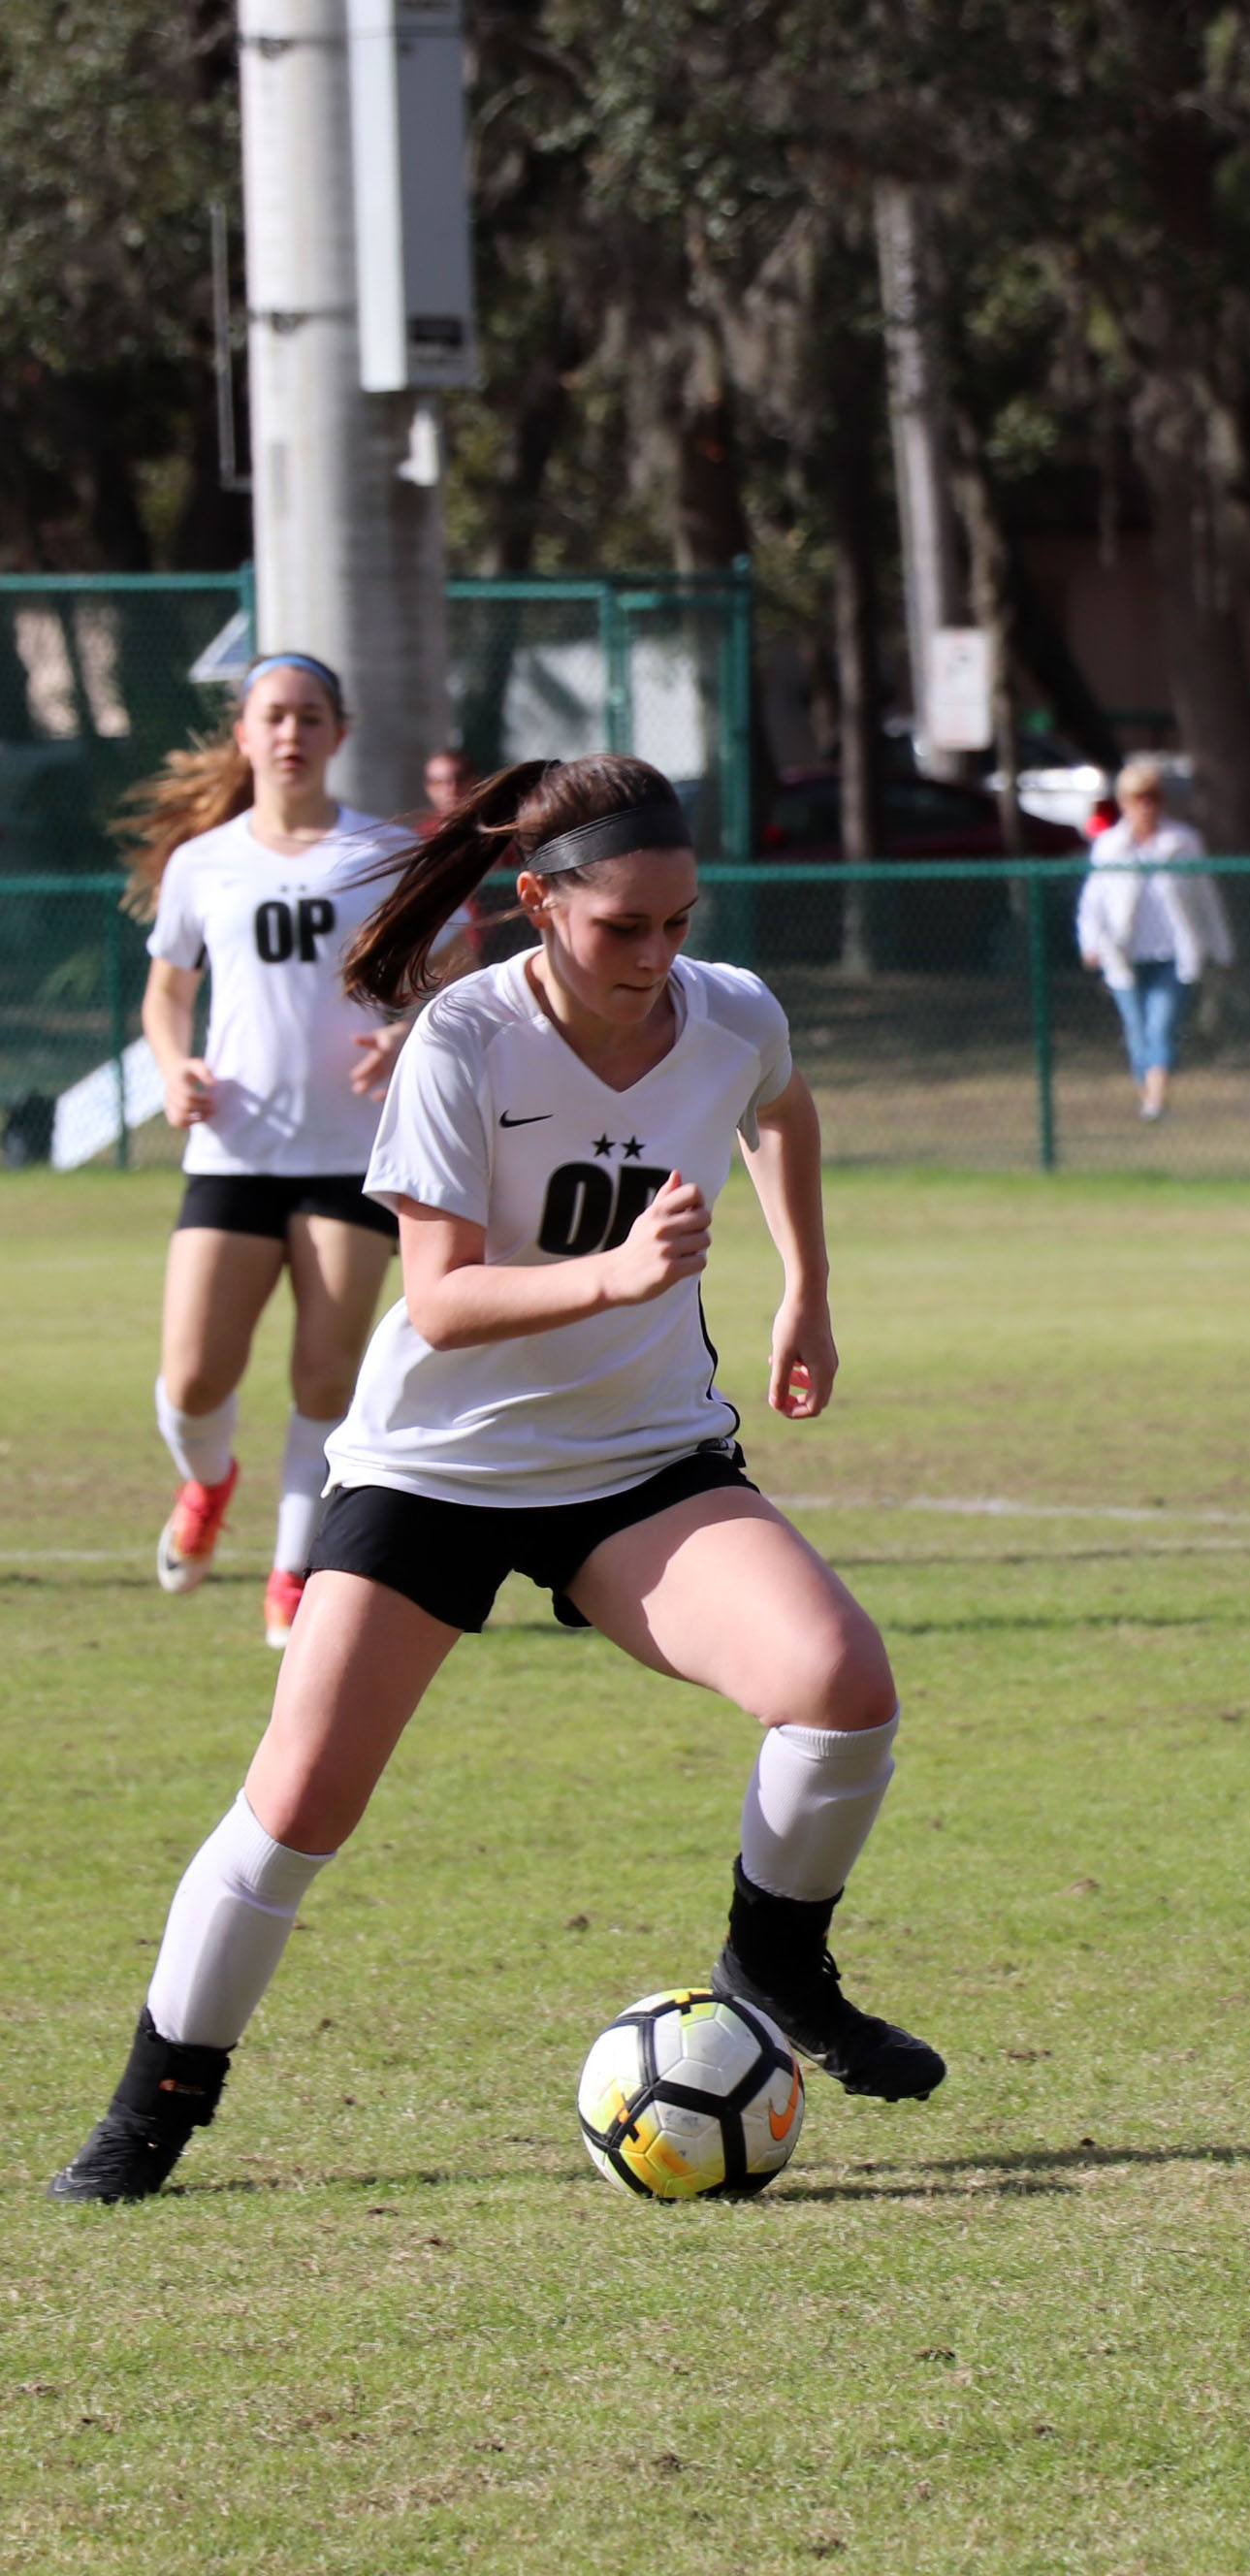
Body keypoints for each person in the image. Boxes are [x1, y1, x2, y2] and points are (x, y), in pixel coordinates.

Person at [50, 754, 945, 2205]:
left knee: (841, 1684)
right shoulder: (463, 1042)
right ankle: (157, 2100)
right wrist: (618, 1275)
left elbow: (779, 1106)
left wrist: (807, 1290)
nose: (658, 959)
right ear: (536, 904)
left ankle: (776, 1971)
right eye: (623, 930)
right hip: (435, 1470)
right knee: (298, 1803)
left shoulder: (729, 1012)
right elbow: (445, 1300)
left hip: (640, 1458)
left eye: (679, 922)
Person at [131, 653, 424, 1652]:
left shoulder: (385, 852)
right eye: (273, 716)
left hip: (354, 1157)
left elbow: (450, 974)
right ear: (245, 735)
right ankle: (209, 1481)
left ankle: (293, 1569)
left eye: (309, 716)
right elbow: (168, 996)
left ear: (339, 734)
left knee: (323, 1378)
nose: (291, 732)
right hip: (234, 1155)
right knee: (195, 1379)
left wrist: (405, 1032)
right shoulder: (202, 863)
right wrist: (174, 1067)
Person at [1076, 758, 1233, 1119]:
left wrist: (1222, 948)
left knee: (1161, 1027)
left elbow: (1206, 899)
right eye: (1137, 798)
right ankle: (1148, 1096)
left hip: (1174, 955)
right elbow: (1092, 903)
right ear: (1124, 802)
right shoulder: (1110, 846)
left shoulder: (1182, 842)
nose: (1146, 806)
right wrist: (1091, 944)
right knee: (1136, 1031)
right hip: (1125, 955)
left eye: (1153, 798)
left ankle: (1155, 1102)